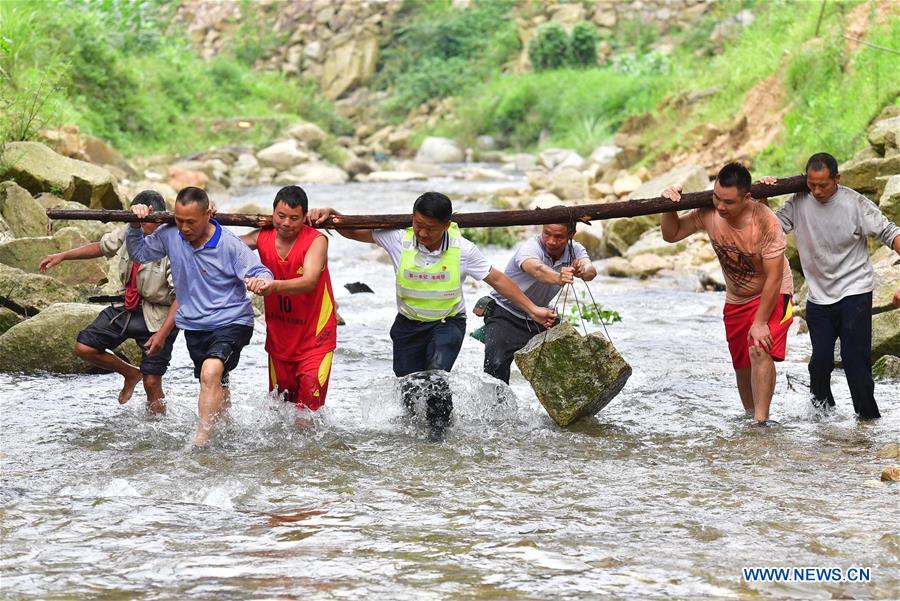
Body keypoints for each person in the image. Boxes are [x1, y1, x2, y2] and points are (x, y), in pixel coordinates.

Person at [307, 192, 557, 439]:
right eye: (418, 226)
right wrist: (334, 215)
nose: (423, 234)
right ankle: (414, 431)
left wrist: (533, 309)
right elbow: (354, 231)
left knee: (436, 377)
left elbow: (498, 280)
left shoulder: (463, 250)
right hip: (407, 324)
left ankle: (439, 436)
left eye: (431, 229)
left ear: (447, 226)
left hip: (447, 323)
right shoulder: (398, 238)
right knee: (408, 383)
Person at [126, 186, 274, 447]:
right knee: (217, 380)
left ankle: (202, 440)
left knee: (210, 370)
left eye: (191, 222)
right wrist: (135, 225)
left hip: (232, 321)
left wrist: (261, 281)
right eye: (180, 220)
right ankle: (226, 433)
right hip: (196, 324)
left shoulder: (228, 243)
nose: (184, 228)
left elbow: (259, 269)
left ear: (208, 214)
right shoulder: (170, 234)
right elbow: (139, 254)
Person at [758, 153, 900, 419]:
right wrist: (764, 198)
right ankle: (823, 419)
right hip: (819, 297)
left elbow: (891, 234)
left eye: (823, 184)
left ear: (837, 178)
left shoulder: (854, 203)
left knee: (854, 361)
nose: (817, 191)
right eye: (812, 184)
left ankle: (868, 420)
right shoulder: (799, 202)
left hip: (855, 290)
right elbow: (770, 230)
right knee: (819, 362)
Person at [661, 163, 793, 426]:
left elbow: (774, 277)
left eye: (728, 202)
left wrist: (759, 322)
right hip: (737, 298)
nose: (721, 207)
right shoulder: (709, 211)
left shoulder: (765, 221)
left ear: (746, 198)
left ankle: (761, 423)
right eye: (716, 197)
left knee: (758, 349)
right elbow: (671, 234)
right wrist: (669, 205)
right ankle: (749, 416)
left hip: (775, 292)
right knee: (742, 363)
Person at [39, 190, 179, 414]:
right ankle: (130, 373)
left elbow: (181, 299)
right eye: (136, 221)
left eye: (145, 221)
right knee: (85, 346)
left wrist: (162, 334)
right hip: (128, 307)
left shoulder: (173, 245)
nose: (141, 226)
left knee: (152, 382)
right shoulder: (131, 229)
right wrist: (63, 255)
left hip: (160, 316)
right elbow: (101, 246)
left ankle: (158, 430)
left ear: (158, 218)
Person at [240, 186, 337, 415]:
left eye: (294, 218)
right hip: (280, 342)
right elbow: (221, 244)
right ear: (272, 213)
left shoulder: (316, 240)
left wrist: (272, 286)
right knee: (281, 413)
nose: (286, 223)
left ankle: (313, 453)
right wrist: (207, 218)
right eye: (280, 216)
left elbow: (310, 281)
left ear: (304, 218)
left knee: (306, 416)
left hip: (315, 340)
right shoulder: (261, 237)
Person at [483, 222, 597, 384]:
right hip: (505, 312)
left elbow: (590, 269)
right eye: (547, 234)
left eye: (558, 237)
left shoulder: (575, 249)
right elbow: (537, 270)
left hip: (541, 317)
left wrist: (583, 271)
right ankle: (496, 408)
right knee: (495, 368)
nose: (551, 241)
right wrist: (558, 277)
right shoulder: (531, 248)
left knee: (567, 366)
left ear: (571, 235)